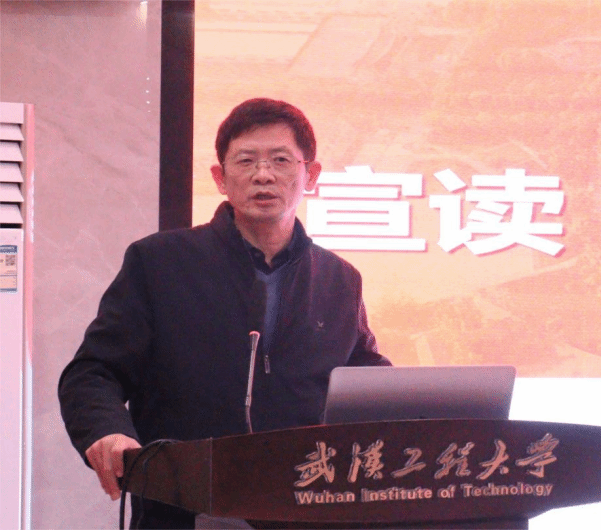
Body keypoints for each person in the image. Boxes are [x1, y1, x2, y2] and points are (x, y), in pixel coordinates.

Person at [58, 98, 391, 529]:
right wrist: (107, 431)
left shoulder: (339, 279)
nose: (263, 175)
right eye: (246, 161)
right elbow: (93, 372)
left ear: (311, 175)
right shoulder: (159, 262)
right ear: (220, 178)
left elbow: (368, 382)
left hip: (307, 509)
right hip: (183, 509)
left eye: (281, 160)